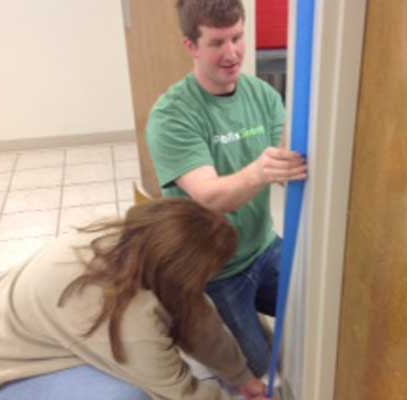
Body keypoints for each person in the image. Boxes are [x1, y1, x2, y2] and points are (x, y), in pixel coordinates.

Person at [147, 0, 307, 379]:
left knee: (313, 313)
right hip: (217, 269)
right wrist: (260, 171)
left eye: (237, 37)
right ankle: (233, 328)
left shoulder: (263, 95)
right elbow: (210, 197)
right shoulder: (172, 116)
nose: (232, 53)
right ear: (191, 46)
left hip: (264, 246)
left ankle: (257, 324)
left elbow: (286, 164)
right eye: (218, 42)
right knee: (260, 370)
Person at [0, 199, 271, 400]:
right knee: (128, 395)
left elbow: (200, 321)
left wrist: (242, 377)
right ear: (181, 273)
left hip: (29, 326)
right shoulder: (125, 317)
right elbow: (176, 391)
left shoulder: (138, 241)